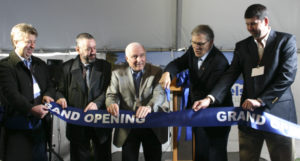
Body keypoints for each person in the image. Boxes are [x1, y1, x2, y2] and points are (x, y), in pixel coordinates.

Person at [194, 4, 297, 161]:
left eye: (253, 23)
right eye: (247, 24)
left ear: (266, 21)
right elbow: (229, 75)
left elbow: (286, 77)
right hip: (249, 116)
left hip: (278, 116)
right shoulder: (242, 46)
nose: (250, 28)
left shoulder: (286, 41)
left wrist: (261, 100)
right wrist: (210, 98)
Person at [159, 25, 232, 161]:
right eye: (193, 43)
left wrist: (206, 100)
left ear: (210, 42)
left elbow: (216, 90)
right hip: (198, 113)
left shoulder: (219, 61)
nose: (196, 47)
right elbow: (178, 63)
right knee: (200, 154)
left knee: (216, 156)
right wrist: (168, 73)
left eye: (200, 44)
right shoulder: (192, 52)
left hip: (216, 116)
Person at [0, 23, 55, 161]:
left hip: (40, 128)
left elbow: (50, 85)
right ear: (16, 42)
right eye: (28, 42)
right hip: (17, 130)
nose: (32, 46)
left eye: (34, 42)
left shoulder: (40, 64)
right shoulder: (5, 66)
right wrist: (31, 109)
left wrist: (48, 94)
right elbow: (11, 95)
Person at [106, 42, 168, 161]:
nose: (139, 60)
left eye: (142, 55)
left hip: (152, 126)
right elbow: (111, 94)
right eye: (134, 56)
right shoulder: (116, 72)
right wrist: (111, 103)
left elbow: (159, 94)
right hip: (129, 127)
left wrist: (149, 107)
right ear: (126, 58)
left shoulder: (156, 71)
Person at [56, 33, 112, 161]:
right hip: (77, 125)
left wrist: (97, 103)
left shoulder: (105, 66)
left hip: (101, 123)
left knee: (103, 157)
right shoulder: (66, 67)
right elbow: (60, 91)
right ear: (78, 50)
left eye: (94, 48)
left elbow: (109, 91)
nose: (93, 52)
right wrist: (60, 98)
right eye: (88, 49)